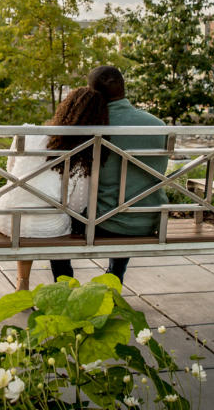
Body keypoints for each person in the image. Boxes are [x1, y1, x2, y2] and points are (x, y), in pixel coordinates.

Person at [0, 87, 108, 291]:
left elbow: (11, 172)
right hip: (47, 227)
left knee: (26, 209)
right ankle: (64, 287)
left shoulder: (29, 134)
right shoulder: (82, 156)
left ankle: (22, 283)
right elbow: (77, 206)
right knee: (58, 220)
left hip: (7, 219)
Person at [78, 64, 168, 283]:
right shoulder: (159, 125)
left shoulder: (91, 127)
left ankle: (63, 280)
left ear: (92, 93)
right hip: (150, 220)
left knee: (55, 219)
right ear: (124, 88)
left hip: (104, 222)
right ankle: (115, 274)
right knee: (130, 194)